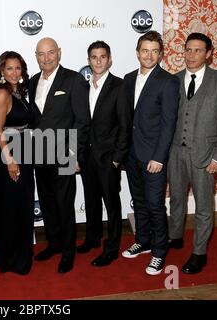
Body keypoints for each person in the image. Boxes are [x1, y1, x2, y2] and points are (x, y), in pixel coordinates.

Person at [167, 33, 217, 274]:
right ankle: (175, 237)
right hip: (175, 153)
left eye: (198, 50)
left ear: (208, 54)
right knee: (176, 199)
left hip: (205, 155)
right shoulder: (173, 80)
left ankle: (199, 253)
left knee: (204, 206)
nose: (191, 54)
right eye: (188, 49)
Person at [120, 31, 180, 276]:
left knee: (155, 205)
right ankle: (143, 241)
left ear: (161, 54)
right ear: (137, 52)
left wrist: (159, 157)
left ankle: (158, 251)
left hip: (153, 156)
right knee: (140, 201)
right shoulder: (128, 78)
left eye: (155, 51)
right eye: (145, 50)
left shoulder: (168, 81)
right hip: (132, 153)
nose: (149, 55)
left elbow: (169, 124)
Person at [29, 37, 90, 273]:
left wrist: (74, 155)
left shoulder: (73, 80)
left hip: (65, 153)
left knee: (65, 204)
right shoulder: (34, 81)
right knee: (47, 202)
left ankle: (68, 252)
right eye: (41, 54)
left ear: (59, 53)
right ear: (36, 57)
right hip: (39, 154)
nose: (46, 58)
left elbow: (82, 121)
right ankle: (53, 243)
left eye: (50, 53)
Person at [76, 41, 131, 267]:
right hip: (87, 156)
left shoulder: (119, 86)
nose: (98, 61)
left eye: (102, 57)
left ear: (109, 59)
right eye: (94, 57)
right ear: (88, 60)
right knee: (90, 201)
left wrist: (117, 158)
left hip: (108, 158)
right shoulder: (83, 87)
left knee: (112, 204)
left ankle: (112, 247)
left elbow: (125, 125)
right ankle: (92, 238)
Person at [0, 51, 35, 275]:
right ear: (1, 71)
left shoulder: (17, 91)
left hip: (24, 153)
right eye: (9, 68)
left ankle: (16, 257)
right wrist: (10, 160)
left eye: (18, 68)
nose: (14, 72)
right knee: (12, 207)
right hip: (11, 154)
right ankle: (11, 259)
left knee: (21, 206)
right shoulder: (2, 94)